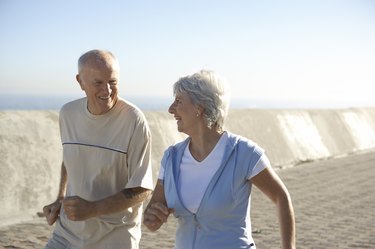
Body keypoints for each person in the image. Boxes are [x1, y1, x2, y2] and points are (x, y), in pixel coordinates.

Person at [143, 70, 296, 249]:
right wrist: (151, 218)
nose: (170, 109)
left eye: (178, 101)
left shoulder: (244, 153)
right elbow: (153, 212)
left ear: (199, 108)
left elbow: (281, 197)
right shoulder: (171, 158)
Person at [43, 49, 153, 249]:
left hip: (115, 238)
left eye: (113, 82)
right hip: (67, 233)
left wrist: (92, 209)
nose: (107, 91)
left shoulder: (134, 120)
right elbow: (70, 158)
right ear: (80, 81)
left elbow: (143, 188)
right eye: (98, 83)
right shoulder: (68, 113)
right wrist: (60, 198)